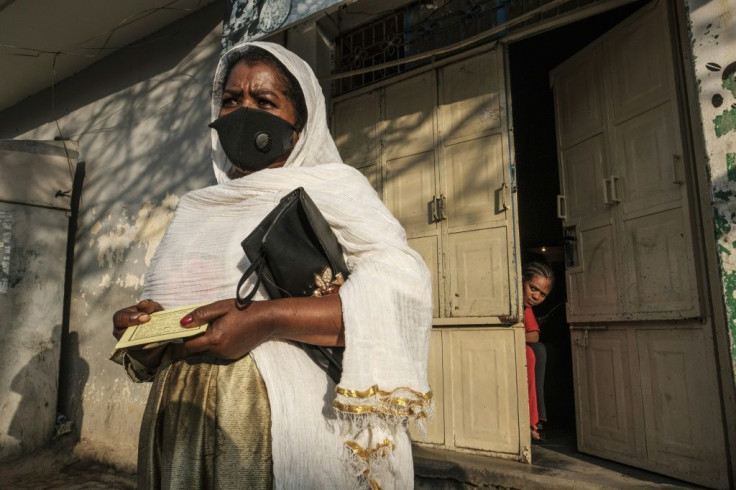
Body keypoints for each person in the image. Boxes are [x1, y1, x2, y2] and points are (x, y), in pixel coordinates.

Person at [111, 41, 432, 489]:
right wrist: (146, 336)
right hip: (179, 419)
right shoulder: (196, 207)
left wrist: (265, 319)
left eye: (264, 102)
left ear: (299, 127)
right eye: (230, 100)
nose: (243, 112)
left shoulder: (334, 188)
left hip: (269, 425)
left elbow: (400, 292)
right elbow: (174, 320)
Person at [521, 261, 554, 441]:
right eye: (533, 288)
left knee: (538, 350)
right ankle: (533, 420)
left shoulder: (526, 308)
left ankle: (534, 419)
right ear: (521, 281)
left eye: (542, 294)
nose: (536, 296)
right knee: (533, 353)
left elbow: (533, 336)